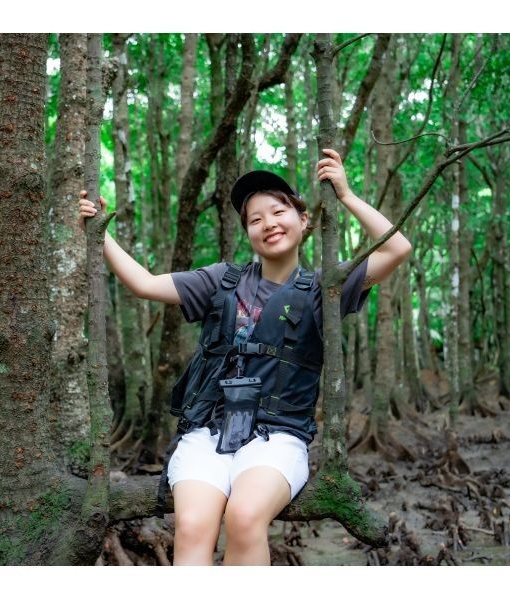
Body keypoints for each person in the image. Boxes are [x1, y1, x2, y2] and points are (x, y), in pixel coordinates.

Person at [78, 148, 411, 565]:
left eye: (278, 211)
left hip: (278, 437)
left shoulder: (325, 286)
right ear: (248, 233)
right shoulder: (222, 280)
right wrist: (100, 232)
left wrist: (344, 194)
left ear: (304, 220)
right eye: (255, 219)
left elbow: (398, 248)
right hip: (209, 433)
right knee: (194, 524)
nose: (269, 224)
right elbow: (144, 283)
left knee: (244, 516)